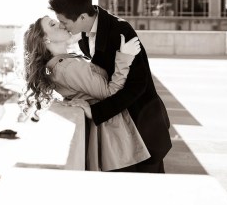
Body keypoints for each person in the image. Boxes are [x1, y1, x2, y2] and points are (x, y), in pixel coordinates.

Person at [48, 0, 172, 173]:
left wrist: (96, 112)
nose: (62, 26)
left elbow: (138, 85)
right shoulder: (83, 37)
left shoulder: (120, 30)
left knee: (150, 182)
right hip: (121, 131)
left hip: (142, 122)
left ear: (82, 17)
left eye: (64, 22)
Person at [23, 16, 150, 171]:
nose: (60, 24)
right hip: (113, 134)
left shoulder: (61, 64)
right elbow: (110, 93)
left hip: (108, 131)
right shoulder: (67, 67)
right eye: (53, 24)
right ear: (46, 39)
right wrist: (125, 57)